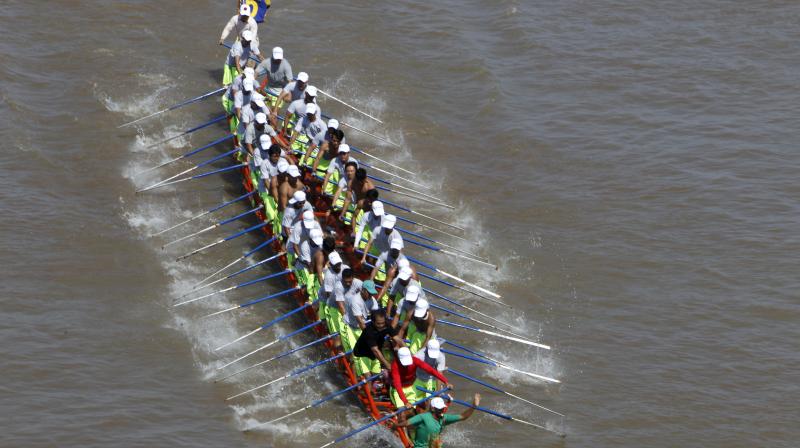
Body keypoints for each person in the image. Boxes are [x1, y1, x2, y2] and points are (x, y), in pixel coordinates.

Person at [394, 394, 481, 448]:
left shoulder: (444, 418)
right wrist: (395, 426)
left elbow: (463, 416)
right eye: (439, 409)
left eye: (442, 409)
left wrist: (473, 406)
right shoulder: (423, 417)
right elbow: (406, 423)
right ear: (433, 408)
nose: (442, 411)